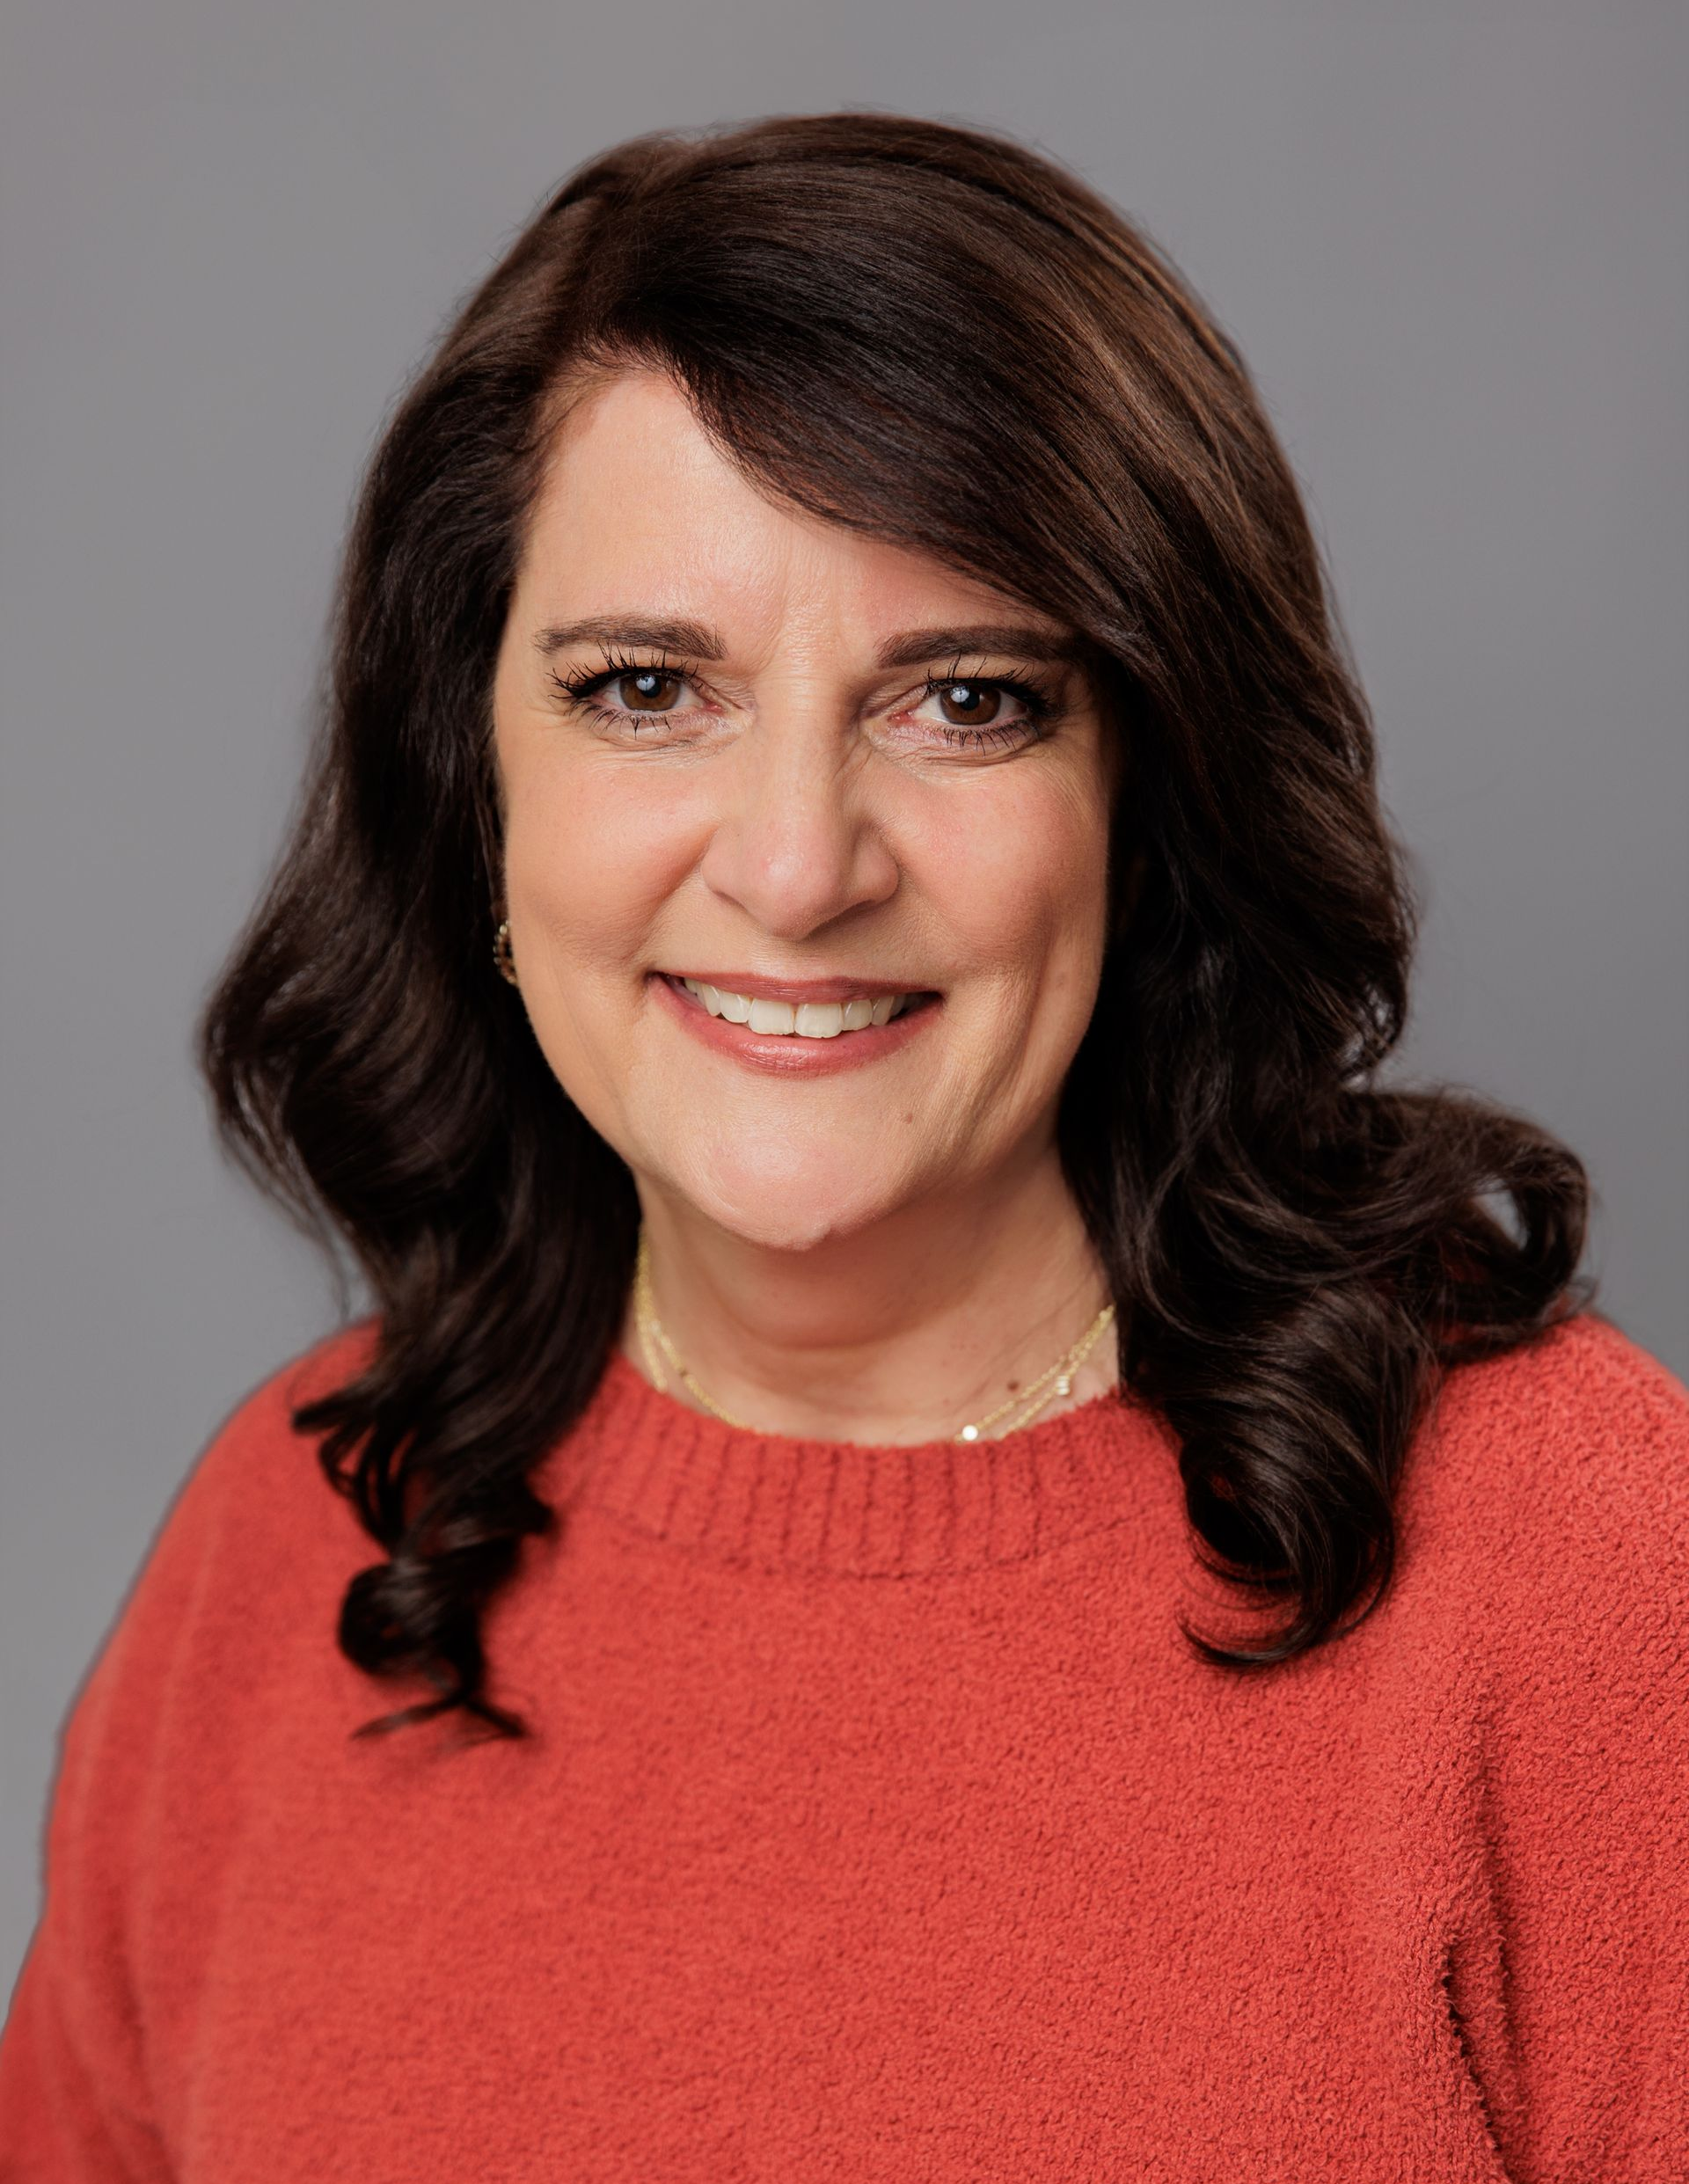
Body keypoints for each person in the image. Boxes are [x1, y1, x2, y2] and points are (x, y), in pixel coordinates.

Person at [2, 111, 1684, 2183]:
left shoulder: (1575, 1569)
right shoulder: (293, 1551)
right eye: (646, 687)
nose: (798, 867)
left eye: (965, 700)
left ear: (1143, 797)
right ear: (477, 795)